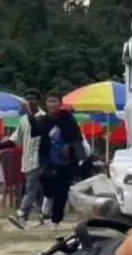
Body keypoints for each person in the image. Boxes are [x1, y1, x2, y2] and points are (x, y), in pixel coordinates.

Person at [37, 90, 84, 230]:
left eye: (54, 101)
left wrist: (69, 146)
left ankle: (55, 220)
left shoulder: (68, 119)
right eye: (49, 101)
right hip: (48, 159)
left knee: (61, 190)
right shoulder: (44, 121)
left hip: (66, 160)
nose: (52, 104)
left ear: (60, 103)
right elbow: (36, 134)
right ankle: (47, 204)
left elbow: (77, 137)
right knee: (44, 180)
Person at [7, 89, 46, 229]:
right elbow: (15, 138)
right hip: (27, 158)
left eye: (33, 99)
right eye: (27, 99)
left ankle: (22, 214)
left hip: (40, 158)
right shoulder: (23, 119)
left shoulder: (43, 117)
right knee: (38, 189)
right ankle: (44, 215)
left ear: (38, 101)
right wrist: (0, 145)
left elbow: (37, 129)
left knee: (31, 187)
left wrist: (28, 112)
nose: (30, 101)